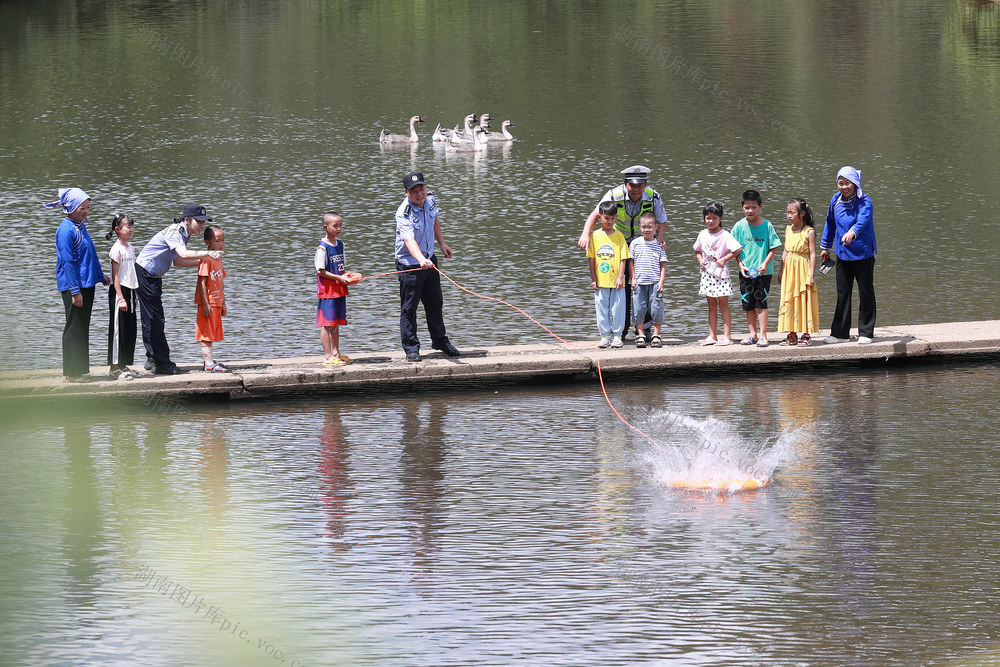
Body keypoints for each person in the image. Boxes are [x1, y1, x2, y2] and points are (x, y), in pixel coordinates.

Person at [578, 165, 668, 340]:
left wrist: (660, 238)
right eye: (632, 185)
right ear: (626, 184)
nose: (636, 189)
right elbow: (595, 214)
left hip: (644, 244)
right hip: (619, 242)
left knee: (646, 282)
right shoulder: (614, 194)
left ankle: (645, 330)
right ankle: (623, 329)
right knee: (624, 287)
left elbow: (662, 220)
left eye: (640, 185)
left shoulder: (653, 196)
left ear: (645, 184)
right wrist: (585, 234)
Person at [135, 205, 221, 374]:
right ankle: (162, 362)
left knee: (153, 318)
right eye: (199, 221)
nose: (202, 226)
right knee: (154, 319)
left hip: (152, 277)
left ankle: (153, 359)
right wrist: (208, 254)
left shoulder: (185, 234)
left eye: (204, 222)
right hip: (144, 274)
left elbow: (178, 262)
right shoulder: (176, 231)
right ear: (187, 220)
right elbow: (183, 254)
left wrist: (205, 262)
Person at [395, 171, 460, 362]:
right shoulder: (403, 212)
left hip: (430, 260)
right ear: (406, 192)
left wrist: (442, 244)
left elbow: (435, 222)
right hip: (411, 265)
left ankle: (440, 340)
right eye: (413, 191)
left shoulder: (430, 200)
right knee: (410, 308)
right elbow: (409, 240)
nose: (419, 194)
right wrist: (420, 259)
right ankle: (411, 348)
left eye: (421, 189)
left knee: (435, 303)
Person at [45, 187, 108, 382]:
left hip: (87, 283)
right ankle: (72, 373)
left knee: (83, 326)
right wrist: (74, 291)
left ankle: (81, 370)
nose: (86, 211)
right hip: (75, 286)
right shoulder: (66, 230)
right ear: (71, 206)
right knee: (74, 327)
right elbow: (68, 262)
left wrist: (101, 276)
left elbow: (90, 256)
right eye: (83, 207)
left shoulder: (80, 226)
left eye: (88, 207)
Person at [820, 166, 877, 344]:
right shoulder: (835, 200)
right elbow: (830, 222)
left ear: (855, 183)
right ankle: (840, 333)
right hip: (842, 253)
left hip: (863, 253)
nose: (844, 187)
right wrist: (825, 246)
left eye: (848, 183)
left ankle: (866, 333)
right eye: (841, 183)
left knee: (865, 292)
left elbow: (862, 221)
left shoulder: (865, 201)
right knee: (843, 293)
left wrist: (852, 233)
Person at [731, 190, 781, 347]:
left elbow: (774, 247)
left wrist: (765, 264)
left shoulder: (767, 225)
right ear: (742, 208)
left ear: (760, 207)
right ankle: (752, 334)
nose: (750, 210)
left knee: (761, 303)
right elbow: (734, 248)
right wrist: (740, 264)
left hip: (763, 272)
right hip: (745, 272)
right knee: (748, 303)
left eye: (753, 207)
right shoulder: (739, 226)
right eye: (747, 207)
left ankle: (763, 335)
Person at [693, 201, 742, 346]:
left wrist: (724, 259)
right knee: (711, 306)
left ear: (721, 218)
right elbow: (697, 250)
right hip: (707, 273)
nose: (711, 221)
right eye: (708, 218)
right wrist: (700, 260)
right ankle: (712, 335)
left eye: (714, 218)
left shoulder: (725, 234)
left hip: (721, 274)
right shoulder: (702, 234)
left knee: (723, 305)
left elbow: (738, 249)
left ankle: (727, 336)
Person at [777, 198, 819, 346]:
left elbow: (813, 254)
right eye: (787, 212)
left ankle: (806, 333)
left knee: (804, 298)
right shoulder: (788, 229)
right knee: (790, 299)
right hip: (789, 268)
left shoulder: (809, 232)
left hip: (802, 267)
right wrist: (781, 271)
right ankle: (792, 333)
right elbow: (785, 251)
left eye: (792, 213)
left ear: (801, 214)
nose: (789, 215)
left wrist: (811, 274)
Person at [588, 200, 630, 348]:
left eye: (612, 218)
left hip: (617, 281)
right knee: (601, 308)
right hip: (601, 280)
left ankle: (617, 335)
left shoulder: (619, 236)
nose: (609, 221)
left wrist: (620, 277)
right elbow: (591, 258)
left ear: (616, 218)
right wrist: (593, 278)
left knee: (618, 308)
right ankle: (604, 336)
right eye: (606, 218)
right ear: (600, 217)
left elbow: (623, 257)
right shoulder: (594, 236)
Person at [315, 212, 353, 367]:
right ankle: (327, 356)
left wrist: (349, 277)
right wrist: (339, 278)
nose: (339, 229)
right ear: (326, 227)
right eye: (335, 226)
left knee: (336, 323)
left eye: (340, 225)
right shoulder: (322, 248)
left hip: (339, 290)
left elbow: (341, 268)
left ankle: (336, 353)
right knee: (327, 324)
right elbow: (320, 271)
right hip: (328, 292)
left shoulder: (341, 245)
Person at [105, 213, 138, 379]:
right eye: (127, 226)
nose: (131, 229)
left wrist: (134, 297)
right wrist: (121, 298)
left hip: (131, 291)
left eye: (132, 226)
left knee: (129, 330)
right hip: (120, 292)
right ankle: (114, 367)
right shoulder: (116, 250)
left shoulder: (131, 248)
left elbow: (132, 273)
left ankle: (124, 365)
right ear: (118, 229)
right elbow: (116, 276)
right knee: (118, 331)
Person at [629, 211, 667, 348]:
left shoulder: (659, 244)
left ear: (656, 226)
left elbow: (663, 264)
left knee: (656, 308)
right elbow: (631, 262)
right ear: (639, 227)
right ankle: (640, 335)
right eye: (644, 227)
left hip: (655, 282)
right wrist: (632, 278)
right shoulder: (635, 243)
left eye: (650, 226)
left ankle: (657, 335)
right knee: (638, 309)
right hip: (639, 282)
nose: (647, 230)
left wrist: (661, 282)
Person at [195, 225, 229, 372]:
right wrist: (206, 303)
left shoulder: (218, 258)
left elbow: (221, 282)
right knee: (206, 333)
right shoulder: (206, 259)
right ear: (208, 243)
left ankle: (209, 360)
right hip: (208, 302)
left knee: (212, 333)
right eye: (217, 241)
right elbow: (202, 281)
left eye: (223, 240)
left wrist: (223, 303)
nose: (221, 244)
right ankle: (208, 364)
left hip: (217, 301)